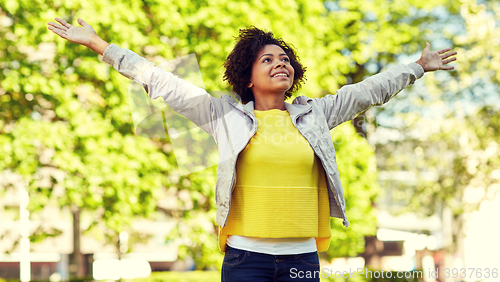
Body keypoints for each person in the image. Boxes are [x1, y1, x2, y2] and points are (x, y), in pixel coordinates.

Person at [47, 17, 457, 282]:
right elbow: (161, 81)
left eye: (285, 59)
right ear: (248, 75)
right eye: (268, 60)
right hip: (246, 260)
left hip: (301, 261)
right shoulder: (222, 116)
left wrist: (417, 66)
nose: (281, 64)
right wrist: (99, 44)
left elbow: (369, 91)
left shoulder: (317, 114)